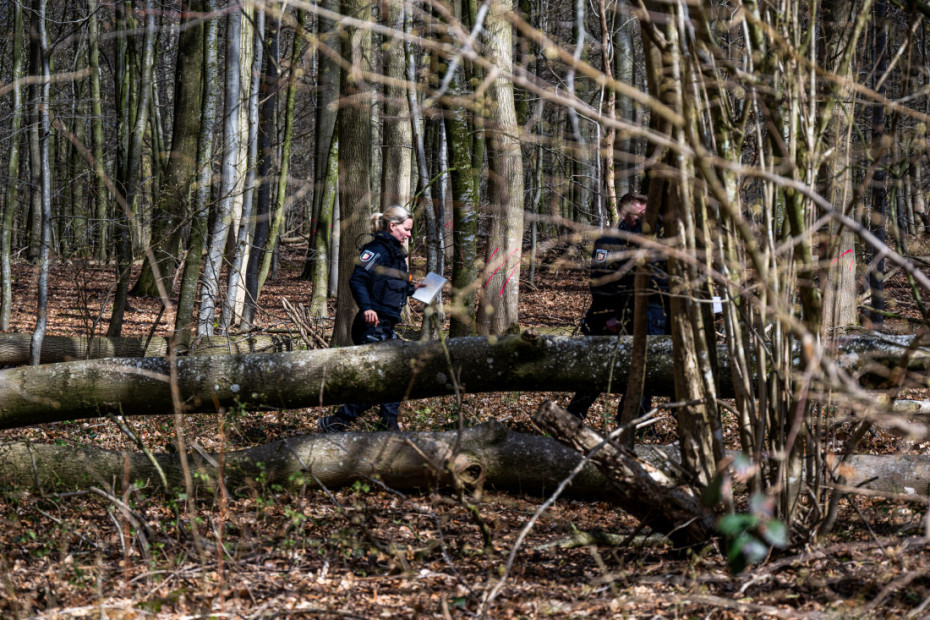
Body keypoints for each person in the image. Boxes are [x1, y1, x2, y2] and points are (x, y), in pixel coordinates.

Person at [319, 206, 423, 433]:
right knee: (382, 381)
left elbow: (393, 287)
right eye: (406, 229)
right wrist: (367, 308)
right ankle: (337, 422)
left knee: (395, 377)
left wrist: (413, 288)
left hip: (386, 326)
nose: (409, 235)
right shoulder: (376, 250)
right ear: (392, 226)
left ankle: (387, 426)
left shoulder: (397, 255)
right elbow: (357, 279)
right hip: (371, 326)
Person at [566, 192, 668, 422]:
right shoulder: (609, 241)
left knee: (645, 369)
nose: (644, 215)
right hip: (612, 316)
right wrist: (609, 315)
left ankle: (635, 421)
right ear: (624, 213)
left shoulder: (656, 240)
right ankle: (574, 415)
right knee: (601, 368)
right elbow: (600, 281)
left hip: (649, 315)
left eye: (646, 211)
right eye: (639, 211)